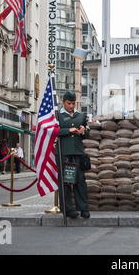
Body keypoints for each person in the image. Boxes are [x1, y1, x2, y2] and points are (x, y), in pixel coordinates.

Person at [55, 91, 91, 219]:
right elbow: (53, 131)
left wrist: (83, 131)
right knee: (65, 181)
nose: (71, 106)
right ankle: (67, 209)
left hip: (77, 151)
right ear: (63, 102)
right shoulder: (57, 115)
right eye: (68, 103)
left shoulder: (80, 115)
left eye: (73, 103)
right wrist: (68, 130)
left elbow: (87, 133)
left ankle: (83, 208)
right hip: (63, 152)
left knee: (80, 180)